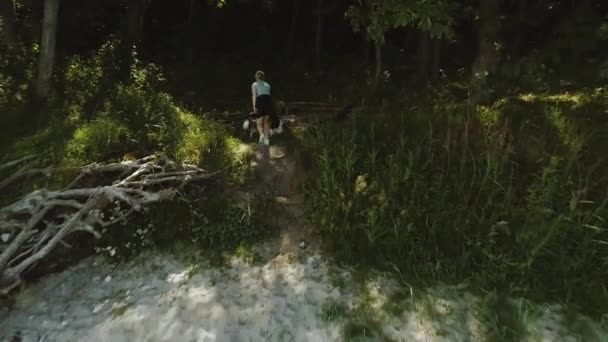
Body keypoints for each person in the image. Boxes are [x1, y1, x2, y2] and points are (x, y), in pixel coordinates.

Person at [251, 70, 273, 146]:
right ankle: (267, 139)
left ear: (256, 77)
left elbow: (254, 96)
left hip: (260, 101)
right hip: (268, 102)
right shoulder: (267, 85)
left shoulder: (255, 84)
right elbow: (268, 95)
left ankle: (261, 134)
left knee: (258, 121)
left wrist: (254, 106)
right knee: (266, 121)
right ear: (263, 77)